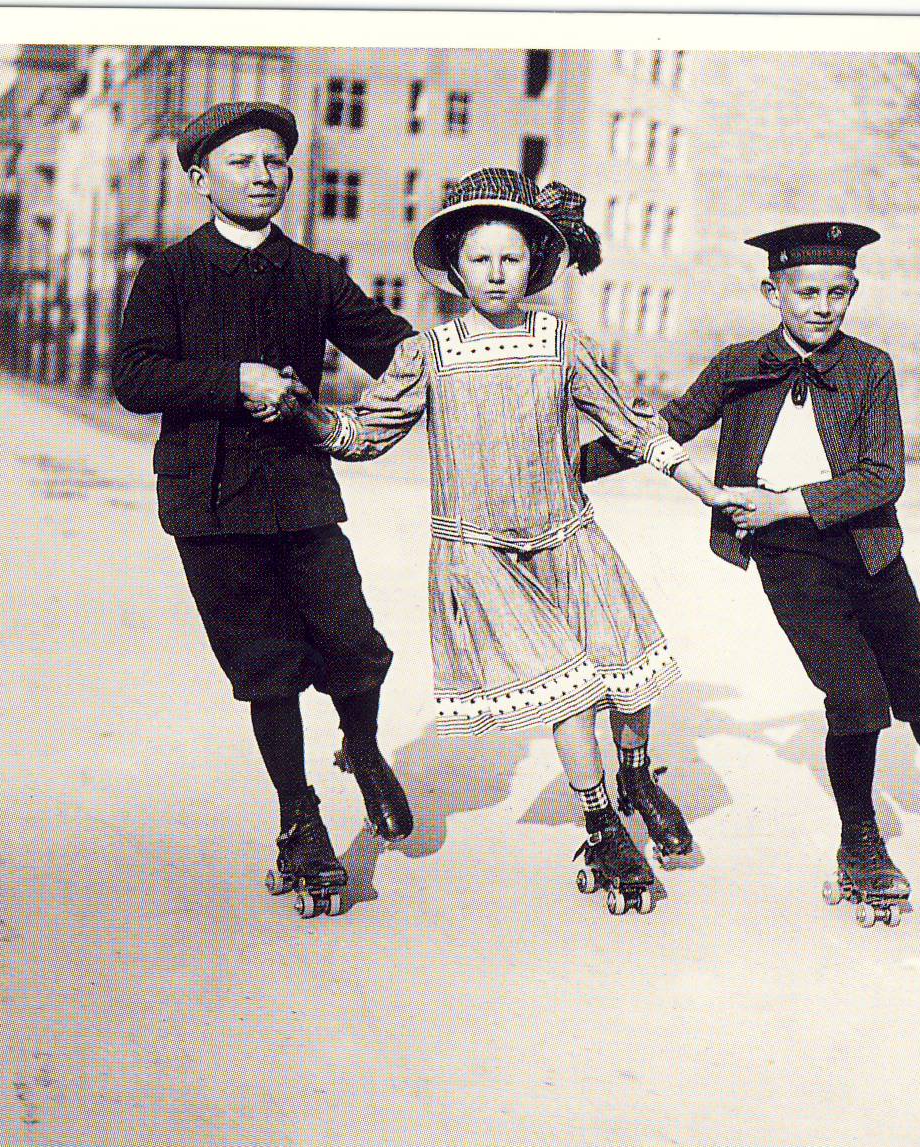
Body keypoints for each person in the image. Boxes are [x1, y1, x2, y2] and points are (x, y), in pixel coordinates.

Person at [288, 168, 741, 913]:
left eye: (510, 258)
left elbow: (635, 431)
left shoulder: (562, 343)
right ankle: (600, 823)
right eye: (479, 260)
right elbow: (361, 435)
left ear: (533, 263)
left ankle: (634, 777)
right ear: (455, 270)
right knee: (571, 694)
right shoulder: (429, 354)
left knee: (631, 676)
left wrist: (708, 491)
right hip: (480, 555)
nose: (496, 273)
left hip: (570, 541)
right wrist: (299, 412)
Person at [581, 221, 920, 922]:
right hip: (788, 555)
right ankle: (861, 839)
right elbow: (671, 423)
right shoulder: (738, 364)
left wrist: (784, 502)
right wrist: (572, 468)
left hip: (870, 544)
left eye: (837, 293)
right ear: (774, 292)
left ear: (852, 293)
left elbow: (884, 477)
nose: (822, 307)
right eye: (806, 293)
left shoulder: (870, 368)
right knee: (854, 694)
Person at [110, 101, 416, 916]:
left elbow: (399, 350)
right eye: (243, 163)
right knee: (266, 669)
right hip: (210, 501)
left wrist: (490, 337)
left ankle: (360, 742)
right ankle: (299, 819)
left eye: (277, 161)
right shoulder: (170, 273)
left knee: (355, 642)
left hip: (301, 492)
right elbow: (134, 379)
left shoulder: (315, 274)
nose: (264, 176)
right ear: (201, 180)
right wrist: (233, 379)